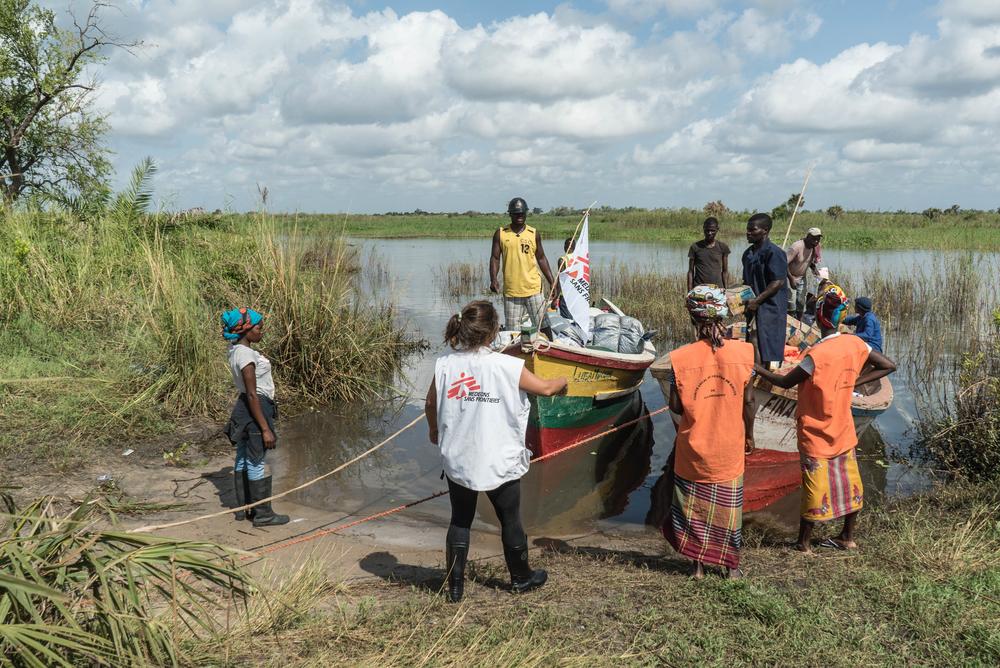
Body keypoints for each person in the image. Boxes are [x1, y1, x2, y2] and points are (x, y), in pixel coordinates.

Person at [424, 300, 567, 603]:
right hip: (498, 460)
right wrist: (564, 380)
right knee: (510, 519)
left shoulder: (445, 364)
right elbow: (546, 389)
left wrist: (434, 431)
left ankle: (455, 587)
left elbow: (429, 404)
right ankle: (520, 578)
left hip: (458, 459)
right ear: (492, 333)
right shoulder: (508, 366)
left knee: (460, 519)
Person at [754, 285, 896, 552]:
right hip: (842, 427)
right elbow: (888, 365)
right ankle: (847, 537)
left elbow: (784, 381)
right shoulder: (854, 343)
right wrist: (855, 379)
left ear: (819, 318)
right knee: (849, 480)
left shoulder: (816, 356)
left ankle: (804, 543)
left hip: (816, 429)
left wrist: (756, 368)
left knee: (813, 485)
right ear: (841, 317)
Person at [663, 286, 755, 579]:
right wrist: (750, 435)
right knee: (730, 512)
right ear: (724, 318)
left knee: (693, 509)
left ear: (693, 319)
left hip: (694, 449)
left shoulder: (680, 358)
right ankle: (730, 567)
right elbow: (749, 402)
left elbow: (676, 406)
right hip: (729, 447)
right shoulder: (745, 352)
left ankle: (698, 567)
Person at [221, 308, 289, 527]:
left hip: (244, 408)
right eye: (258, 328)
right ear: (246, 330)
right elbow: (252, 393)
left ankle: (244, 509)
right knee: (256, 461)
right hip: (255, 407)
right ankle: (263, 515)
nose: (262, 332)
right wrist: (265, 429)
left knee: (242, 456)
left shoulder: (235, 349)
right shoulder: (246, 355)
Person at [489, 197, 556, 332]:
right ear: (510, 214)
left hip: (533, 288)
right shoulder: (501, 233)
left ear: (526, 213)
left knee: (543, 326)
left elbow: (541, 258)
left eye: (522, 213)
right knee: (512, 332)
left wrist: (552, 282)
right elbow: (495, 258)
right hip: (512, 291)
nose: (519, 216)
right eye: (516, 213)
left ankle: (550, 349)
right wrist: (493, 279)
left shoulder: (533, 233)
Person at [741, 213, 789, 367]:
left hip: (770, 306)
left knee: (768, 341)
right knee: (753, 339)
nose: (748, 233)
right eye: (747, 229)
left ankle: (765, 374)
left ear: (765, 230)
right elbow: (746, 282)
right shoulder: (747, 254)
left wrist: (757, 300)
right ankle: (756, 372)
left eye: (752, 230)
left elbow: (778, 281)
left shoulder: (774, 253)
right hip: (753, 305)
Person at [786, 227, 823, 320]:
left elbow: (809, 261)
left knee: (801, 302)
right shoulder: (797, 246)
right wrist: (791, 279)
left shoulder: (814, 248)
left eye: (818, 239)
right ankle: (790, 322)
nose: (816, 242)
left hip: (801, 277)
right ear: (808, 237)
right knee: (791, 303)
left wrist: (815, 271)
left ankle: (800, 323)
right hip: (790, 276)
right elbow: (784, 263)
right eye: (814, 239)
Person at [687, 217, 730, 290]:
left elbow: (725, 271)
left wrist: (726, 290)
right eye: (707, 230)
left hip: (718, 289)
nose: (709, 233)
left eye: (712, 230)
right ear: (703, 228)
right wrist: (689, 292)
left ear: (717, 229)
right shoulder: (695, 247)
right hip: (699, 289)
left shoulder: (723, 247)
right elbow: (691, 272)